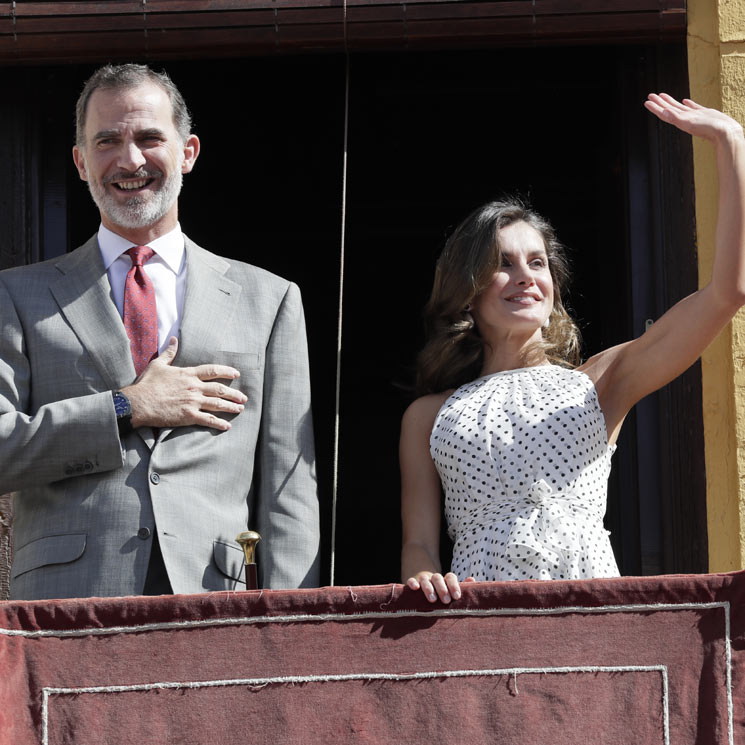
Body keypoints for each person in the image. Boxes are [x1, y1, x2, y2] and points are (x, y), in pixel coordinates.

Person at [401, 94, 745, 603]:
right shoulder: (428, 415)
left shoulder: (598, 383)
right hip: (479, 621)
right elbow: (418, 545)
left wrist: (731, 142)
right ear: (467, 291)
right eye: (504, 264)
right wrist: (424, 576)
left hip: (588, 616)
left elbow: (727, 292)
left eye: (537, 263)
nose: (525, 278)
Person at [0, 63, 320, 599]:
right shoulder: (15, 296)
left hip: (212, 598)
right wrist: (126, 407)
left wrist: (291, 625)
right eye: (107, 141)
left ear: (188, 152)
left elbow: (289, 486)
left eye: (150, 137)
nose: (130, 160)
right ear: (80, 162)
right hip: (68, 603)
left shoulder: (270, 299)